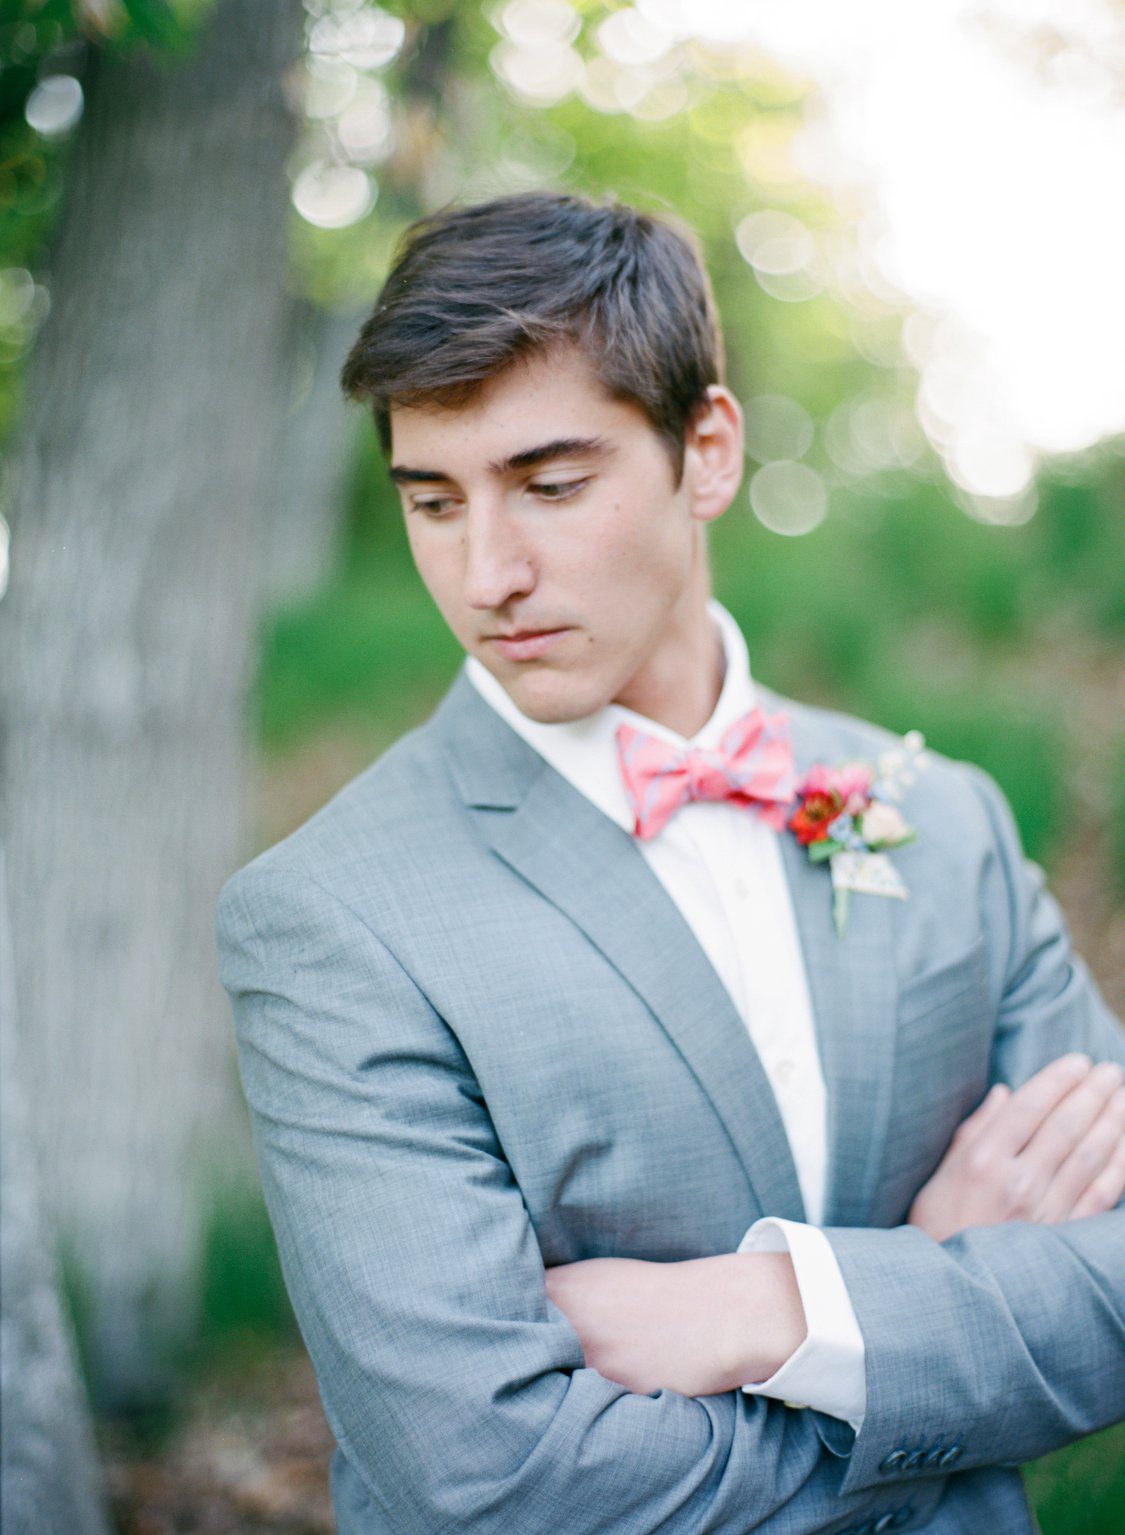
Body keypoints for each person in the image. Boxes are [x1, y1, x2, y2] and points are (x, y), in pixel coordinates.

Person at [216, 191, 1125, 1535]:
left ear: (705, 451)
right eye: (432, 502)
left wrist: (772, 1311)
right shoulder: (331, 918)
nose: (487, 574)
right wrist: (934, 1302)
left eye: (549, 485)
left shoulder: (942, 818)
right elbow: (496, 1482)